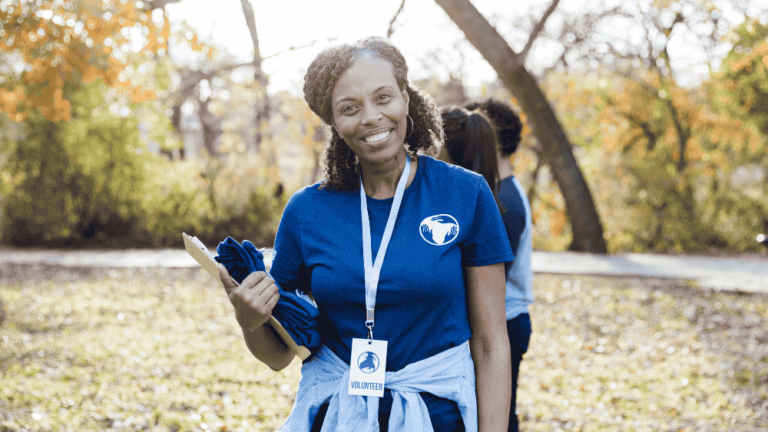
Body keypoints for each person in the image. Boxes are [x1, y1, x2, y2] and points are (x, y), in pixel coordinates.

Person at [216, 37, 513, 432]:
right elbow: (277, 356)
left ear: (406, 98)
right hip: (338, 416)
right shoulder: (307, 211)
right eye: (349, 109)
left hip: (438, 417)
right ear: (335, 123)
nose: (371, 117)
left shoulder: (465, 194)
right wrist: (249, 320)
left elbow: (491, 344)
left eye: (384, 97)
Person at [439, 100, 533, 432]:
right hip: (499, 322)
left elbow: (488, 281)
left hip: (504, 322)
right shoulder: (499, 191)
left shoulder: (504, 200)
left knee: (498, 416)